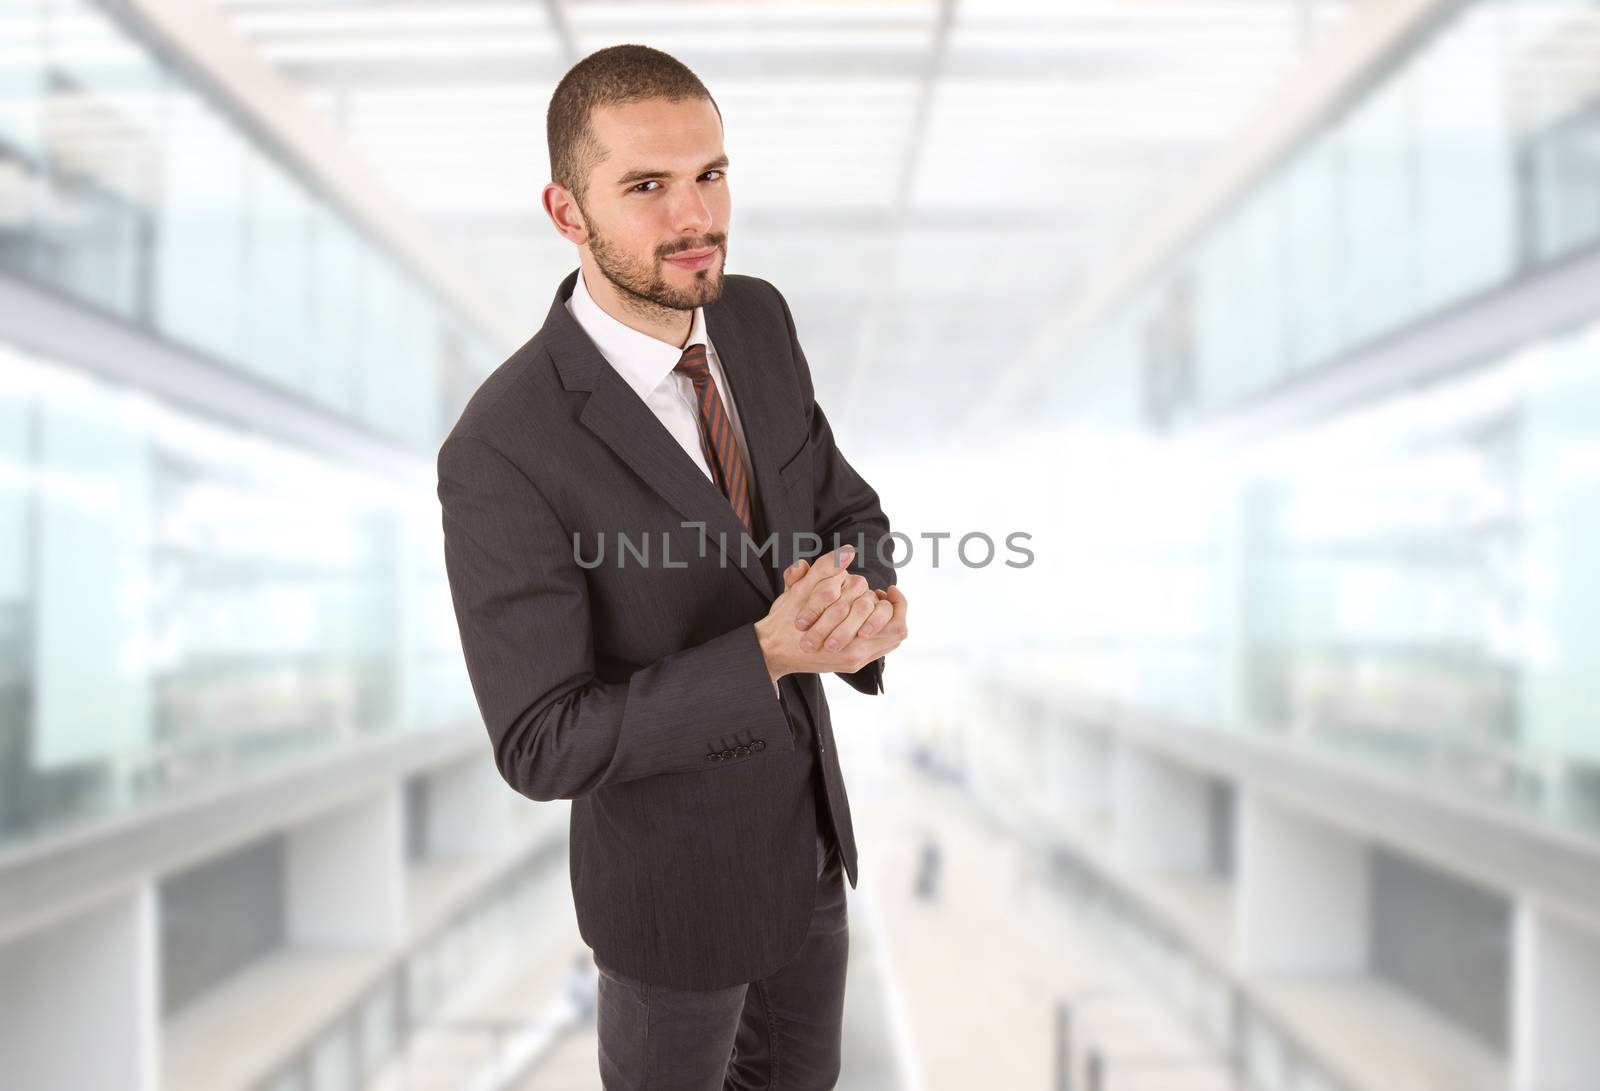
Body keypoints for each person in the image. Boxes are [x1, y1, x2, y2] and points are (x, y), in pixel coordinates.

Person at [435, 43, 910, 1090]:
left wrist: (865, 604)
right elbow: (540, 740)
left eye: (711, 173)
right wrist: (766, 652)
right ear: (566, 212)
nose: (694, 217)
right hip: (674, 905)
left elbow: (843, 506)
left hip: (813, 856)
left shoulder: (756, 317)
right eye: (646, 187)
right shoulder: (502, 447)